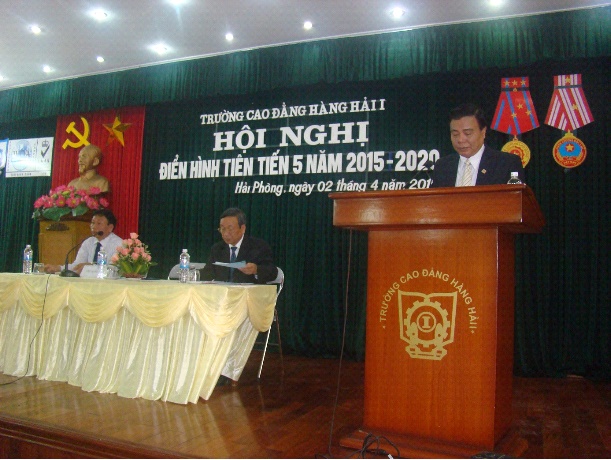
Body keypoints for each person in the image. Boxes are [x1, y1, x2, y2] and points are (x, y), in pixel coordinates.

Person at [430, 103, 525, 187]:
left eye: (467, 133)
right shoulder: (443, 167)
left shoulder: (506, 164)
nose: (460, 140)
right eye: (455, 134)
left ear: (483, 132)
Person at [201, 207, 278, 284]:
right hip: (222, 291)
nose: (226, 233)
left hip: (248, 291)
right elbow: (206, 274)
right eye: (223, 229)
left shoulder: (258, 246)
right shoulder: (217, 249)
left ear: (242, 228)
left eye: (230, 228)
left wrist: (256, 270)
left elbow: (273, 273)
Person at [44, 209, 123, 275]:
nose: (94, 227)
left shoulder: (119, 244)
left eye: (99, 224)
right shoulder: (88, 242)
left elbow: (114, 270)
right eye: (92, 223)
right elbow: (77, 265)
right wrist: (58, 268)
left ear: (110, 227)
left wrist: (90, 266)